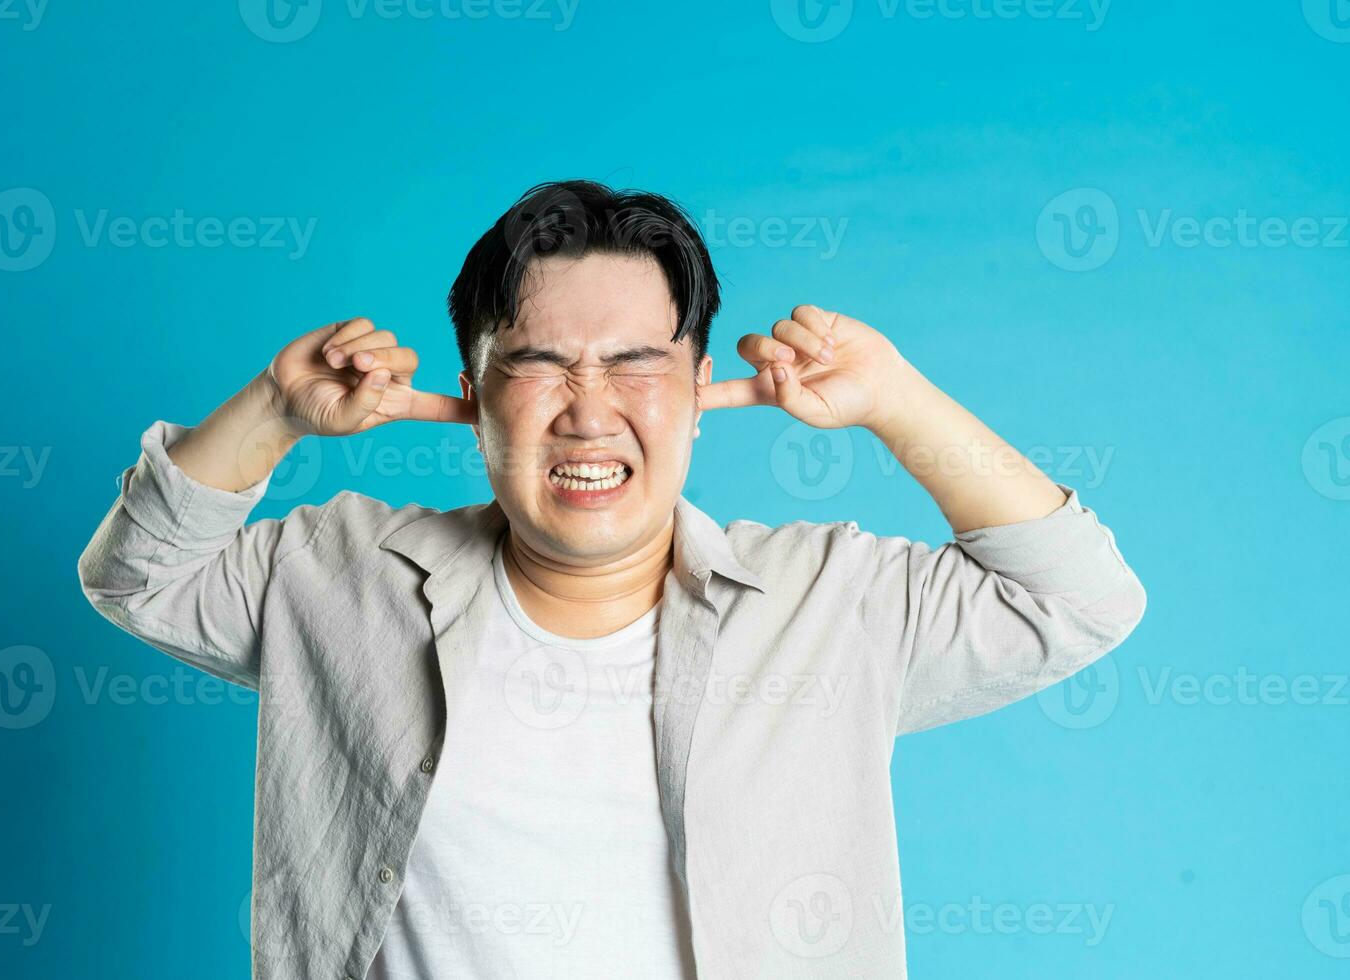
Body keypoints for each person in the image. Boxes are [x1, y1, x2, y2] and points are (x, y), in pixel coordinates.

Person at [77, 179, 1146, 979]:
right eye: (539, 361)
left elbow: (1079, 598)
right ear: (472, 391)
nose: (589, 409)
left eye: (637, 362)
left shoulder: (830, 602)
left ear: (698, 385)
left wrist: (898, 399)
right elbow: (139, 575)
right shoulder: (342, 572)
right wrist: (272, 406)